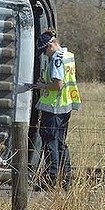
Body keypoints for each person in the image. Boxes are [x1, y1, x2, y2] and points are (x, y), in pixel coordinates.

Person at [32, 29, 81, 190]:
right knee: (60, 143)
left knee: (50, 143)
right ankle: (66, 178)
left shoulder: (56, 59)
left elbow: (58, 84)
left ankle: (51, 178)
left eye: (45, 50)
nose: (45, 54)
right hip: (65, 107)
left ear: (51, 44)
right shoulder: (68, 56)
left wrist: (41, 85)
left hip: (53, 108)